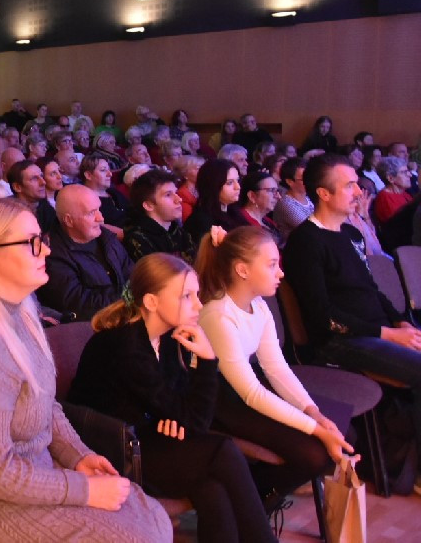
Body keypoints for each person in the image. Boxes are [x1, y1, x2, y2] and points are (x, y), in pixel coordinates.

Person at [0, 197, 170, 542]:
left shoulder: (17, 310)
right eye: (32, 243)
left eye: (42, 240)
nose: (45, 251)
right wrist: (82, 490)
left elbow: (44, 403)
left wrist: (79, 457)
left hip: (27, 474)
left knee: (152, 517)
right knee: (137, 537)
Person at [69, 253, 277, 543]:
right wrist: (207, 360)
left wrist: (171, 417)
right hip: (111, 452)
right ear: (152, 302)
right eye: (187, 296)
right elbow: (195, 419)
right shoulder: (126, 347)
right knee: (221, 450)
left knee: (213, 488)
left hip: (141, 434)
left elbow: (182, 404)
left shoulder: (163, 334)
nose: (199, 305)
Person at [284, 153, 421, 491]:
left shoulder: (349, 233)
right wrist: (387, 333)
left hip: (375, 332)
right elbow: (322, 316)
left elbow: (371, 290)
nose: (359, 192)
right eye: (349, 186)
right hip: (340, 341)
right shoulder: (306, 241)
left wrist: (401, 323)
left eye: (357, 184)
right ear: (323, 193)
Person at [196, 226, 354, 508]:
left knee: (340, 429)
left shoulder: (258, 305)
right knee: (314, 454)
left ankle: (252, 498)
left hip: (241, 387)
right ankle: (251, 500)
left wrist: (313, 413)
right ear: (242, 270)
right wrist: (317, 430)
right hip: (214, 397)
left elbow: (276, 368)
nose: (280, 273)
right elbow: (251, 394)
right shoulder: (218, 316)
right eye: (271, 265)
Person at [37, 185, 133, 322]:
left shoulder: (106, 237)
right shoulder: (52, 255)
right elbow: (78, 304)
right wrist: (129, 296)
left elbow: (132, 273)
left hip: (124, 315)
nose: (101, 218)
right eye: (91, 213)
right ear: (69, 220)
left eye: (99, 209)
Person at [122, 168, 195, 264]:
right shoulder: (138, 240)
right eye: (168, 195)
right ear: (148, 205)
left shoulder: (178, 231)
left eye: (176, 193)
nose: (179, 199)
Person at [184, 158, 246, 248]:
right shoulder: (202, 221)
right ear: (213, 186)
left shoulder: (234, 213)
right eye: (230, 183)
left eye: (238, 181)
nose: (238, 187)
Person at [80, 153, 129, 238]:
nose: (110, 174)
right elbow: (99, 227)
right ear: (88, 175)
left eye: (109, 170)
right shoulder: (84, 200)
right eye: (103, 170)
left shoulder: (114, 193)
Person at [7, 160, 58, 233]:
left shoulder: (48, 211)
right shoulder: (7, 215)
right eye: (34, 178)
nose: (43, 182)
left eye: (41, 176)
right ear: (17, 187)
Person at [234, 170, 282, 246]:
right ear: (252, 196)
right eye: (272, 191)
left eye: (277, 191)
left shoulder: (267, 221)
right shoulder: (244, 226)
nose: (278, 196)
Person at [272, 157, 312, 242]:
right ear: (290, 182)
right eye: (304, 178)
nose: (310, 180)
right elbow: (311, 229)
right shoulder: (285, 204)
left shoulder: (309, 198)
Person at [374, 157, 414, 225]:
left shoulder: (404, 194)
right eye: (404, 172)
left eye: (408, 171)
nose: (410, 175)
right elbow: (401, 225)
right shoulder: (385, 198)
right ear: (390, 178)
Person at [173, 155, 203, 222]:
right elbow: (189, 221)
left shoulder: (202, 189)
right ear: (185, 174)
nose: (202, 171)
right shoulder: (182, 195)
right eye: (198, 168)